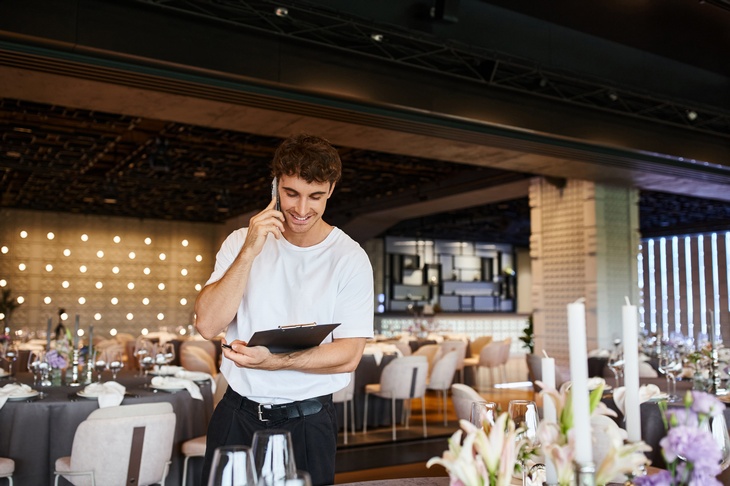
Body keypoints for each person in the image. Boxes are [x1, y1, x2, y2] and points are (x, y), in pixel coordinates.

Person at [195, 133, 374, 486]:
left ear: (331, 191)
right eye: (291, 193)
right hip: (236, 413)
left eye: (315, 197)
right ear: (275, 185)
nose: (302, 209)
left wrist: (275, 361)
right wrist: (249, 251)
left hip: (308, 421)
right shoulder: (238, 242)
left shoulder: (350, 258)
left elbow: (349, 355)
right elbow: (207, 324)